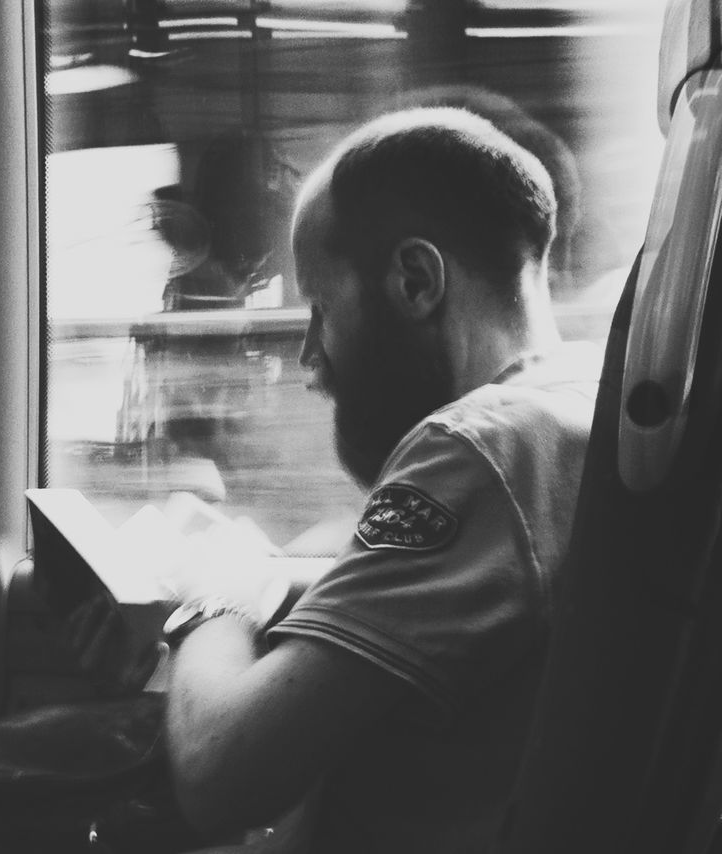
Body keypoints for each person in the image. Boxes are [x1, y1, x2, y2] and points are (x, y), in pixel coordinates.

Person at [162, 107, 602, 853]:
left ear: (415, 280)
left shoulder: (479, 449)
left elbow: (217, 776)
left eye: (321, 308)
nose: (309, 356)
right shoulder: (572, 402)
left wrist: (217, 594)